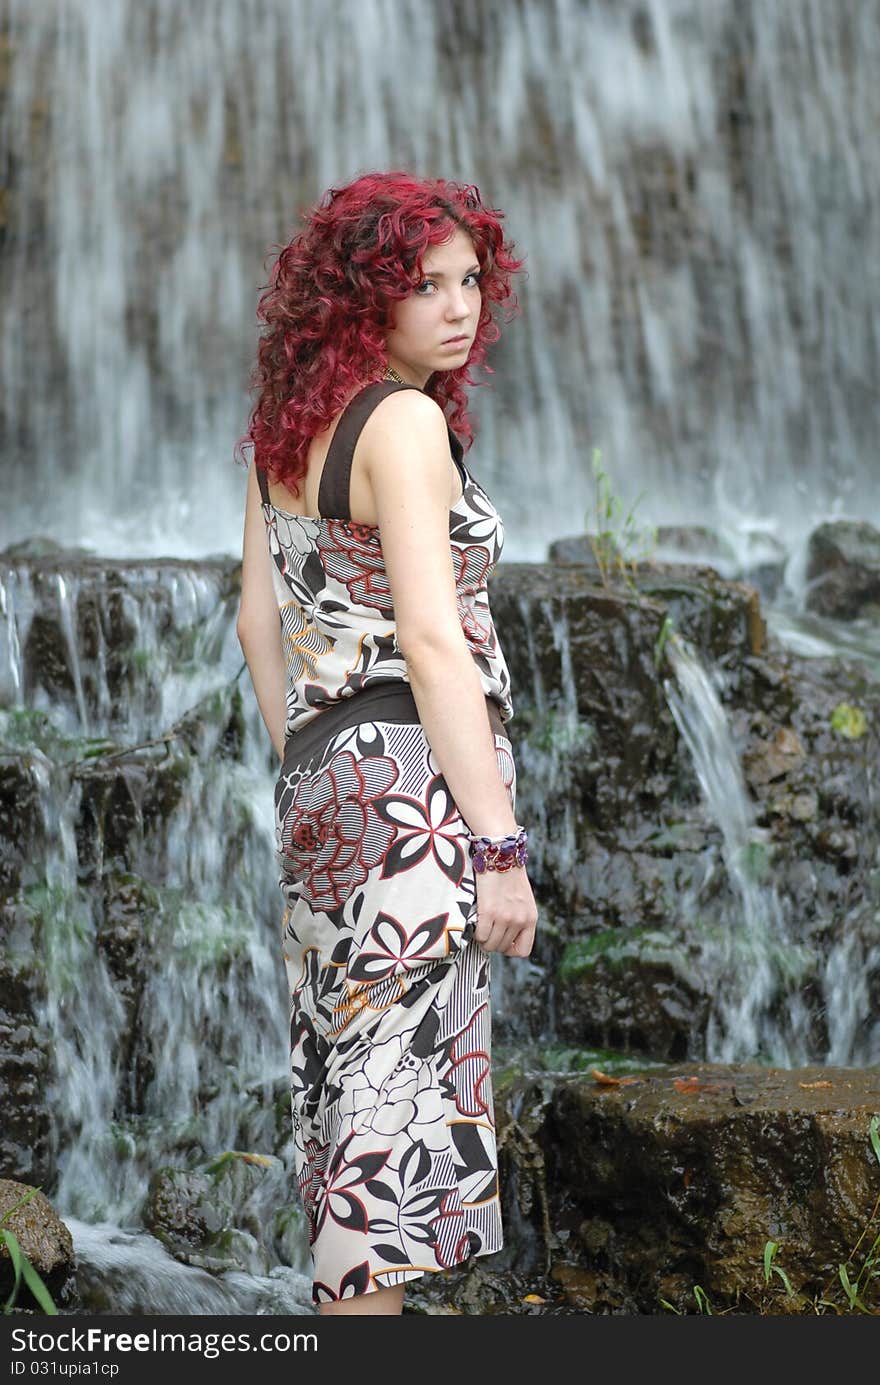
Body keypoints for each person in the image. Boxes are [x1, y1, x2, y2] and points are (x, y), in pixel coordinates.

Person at [235, 171, 538, 1316]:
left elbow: (258, 620)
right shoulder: (406, 422)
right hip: (415, 782)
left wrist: (311, 765)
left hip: (323, 777)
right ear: (368, 294)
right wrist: (498, 849)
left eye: (470, 281)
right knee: (386, 1153)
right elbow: (430, 634)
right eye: (426, 284)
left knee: (348, 1108)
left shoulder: (286, 422)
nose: (460, 307)